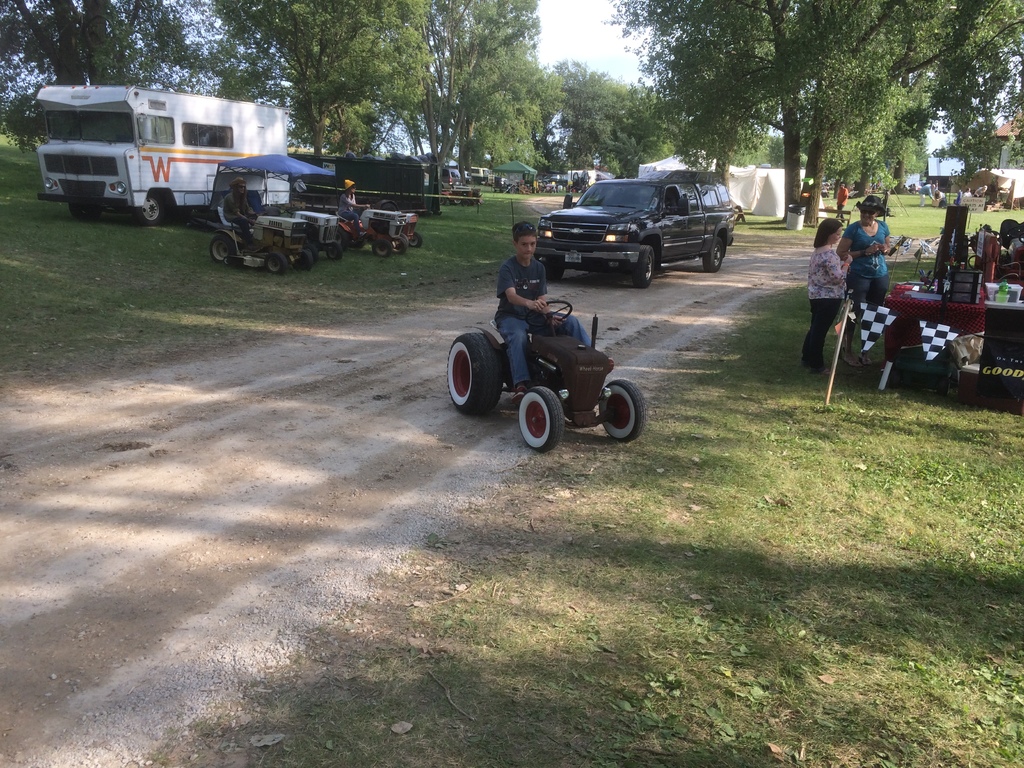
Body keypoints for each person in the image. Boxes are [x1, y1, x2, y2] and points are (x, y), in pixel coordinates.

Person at [495, 221, 591, 403]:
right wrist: (529, 303)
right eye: (524, 244)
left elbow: (542, 298)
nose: (529, 249)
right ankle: (521, 384)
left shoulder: (539, 268)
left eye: (532, 244)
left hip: (534, 316)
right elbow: (511, 296)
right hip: (511, 316)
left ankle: (590, 362)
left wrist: (549, 315)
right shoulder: (508, 267)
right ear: (515, 244)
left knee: (570, 322)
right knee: (518, 337)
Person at [836, 194, 891, 367]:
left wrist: (885, 249)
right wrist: (863, 252)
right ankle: (847, 351)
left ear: (877, 213)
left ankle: (865, 351)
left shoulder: (883, 226)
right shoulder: (853, 229)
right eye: (863, 211)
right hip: (858, 276)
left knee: (873, 314)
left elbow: (889, 247)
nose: (866, 215)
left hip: (879, 275)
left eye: (870, 212)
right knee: (853, 313)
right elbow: (840, 253)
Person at [801, 219, 850, 374]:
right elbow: (837, 278)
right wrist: (846, 264)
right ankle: (817, 364)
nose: (839, 237)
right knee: (820, 331)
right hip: (830, 297)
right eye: (837, 233)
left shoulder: (817, 252)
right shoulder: (830, 255)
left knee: (815, 328)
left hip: (816, 295)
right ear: (828, 234)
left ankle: (807, 357)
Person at [223, 176, 257, 246]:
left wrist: (257, 214)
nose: (243, 188)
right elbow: (237, 213)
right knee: (243, 221)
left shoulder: (243, 197)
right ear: (235, 187)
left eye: (244, 187)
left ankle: (258, 238)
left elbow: (248, 210)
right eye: (240, 187)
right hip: (232, 216)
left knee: (259, 218)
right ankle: (249, 243)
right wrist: (249, 220)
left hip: (241, 215)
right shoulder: (230, 197)